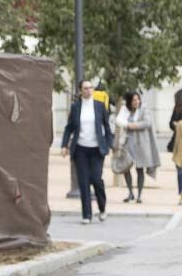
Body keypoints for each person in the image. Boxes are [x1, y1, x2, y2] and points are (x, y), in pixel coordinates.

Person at [61, 80, 112, 224]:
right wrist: (64, 145)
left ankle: (102, 208)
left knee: (96, 179)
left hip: (97, 149)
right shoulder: (76, 107)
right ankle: (87, 215)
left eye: (91, 88)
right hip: (81, 149)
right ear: (80, 91)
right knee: (83, 183)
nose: (89, 90)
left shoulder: (100, 106)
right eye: (85, 88)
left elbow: (107, 128)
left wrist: (108, 145)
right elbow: (69, 128)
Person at [114, 91, 160, 203]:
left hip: (141, 144)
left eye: (138, 99)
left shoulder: (144, 109)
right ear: (130, 101)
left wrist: (133, 125)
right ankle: (130, 193)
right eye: (134, 100)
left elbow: (147, 123)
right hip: (128, 143)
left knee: (140, 169)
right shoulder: (126, 110)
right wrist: (128, 125)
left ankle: (139, 195)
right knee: (126, 167)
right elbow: (119, 120)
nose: (136, 102)